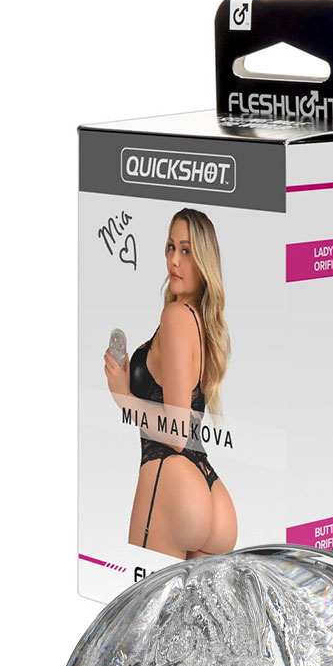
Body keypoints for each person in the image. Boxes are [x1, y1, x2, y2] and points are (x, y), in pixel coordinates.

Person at [104, 208, 237, 558]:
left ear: (205, 261)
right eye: (170, 247)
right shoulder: (202, 324)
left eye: (187, 250)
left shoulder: (177, 317)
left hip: (172, 483)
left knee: (144, 592)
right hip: (213, 495)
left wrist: (123, 396)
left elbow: (176, 433)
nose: (174, 260)